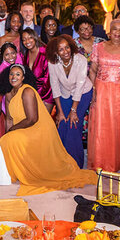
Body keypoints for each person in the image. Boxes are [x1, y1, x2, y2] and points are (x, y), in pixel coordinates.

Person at [0, 64, 96, 195]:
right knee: (5, 139)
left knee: (10, 139)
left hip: (36, 129)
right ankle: (17, 172)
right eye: (11, 74)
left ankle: (28, 174)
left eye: (17, 74)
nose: (14, 77)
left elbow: (32, 119)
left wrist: (12, 131)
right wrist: (8, 131)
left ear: (23, 77)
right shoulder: (9, 94)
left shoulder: (27, 91)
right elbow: (9, 118)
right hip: (21, 128)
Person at [87, 20, 120, 172]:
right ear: (109, 31)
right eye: (114, 29)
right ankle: (101, 162)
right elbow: (92, 70)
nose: (117, 32)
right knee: (102, 127)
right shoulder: (99, 47)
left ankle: (119, 162)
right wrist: (94, 90)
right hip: (102, 91)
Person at [48, 35, 93, 169]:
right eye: (61, 49)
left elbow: (79, 86)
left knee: (73, 126)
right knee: (62, 124)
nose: (65, 51)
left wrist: (73, 111)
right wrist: (60, 112)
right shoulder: (53, 62)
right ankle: (61, 162)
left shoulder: (80, 60)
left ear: (71, 47)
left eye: (67, 47)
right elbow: (54, 86)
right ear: (56, 52)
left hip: (83, 93)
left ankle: (75, 164)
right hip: (64, 94)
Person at [20, 28, 52, 107]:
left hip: (46, 95)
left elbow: (48, 80)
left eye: (30, 38)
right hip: (32, 94)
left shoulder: (45, 53)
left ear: (35, 37)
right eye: (24, 39)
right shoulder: (26, 53)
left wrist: (37, 96)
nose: (27, 42)